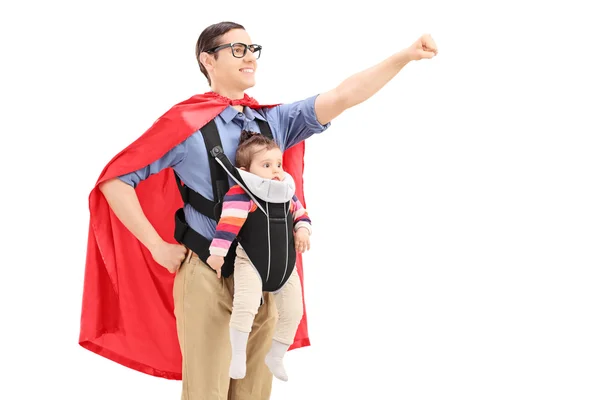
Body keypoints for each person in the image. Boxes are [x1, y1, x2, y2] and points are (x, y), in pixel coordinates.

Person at [78, 20, 437, 400]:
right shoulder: (184, 125)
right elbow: (115, 181)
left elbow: (344, 96)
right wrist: (156, 246)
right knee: (206, 394)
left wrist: (404, 57)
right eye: (237, 49)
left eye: (252, 49)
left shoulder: (273, 121)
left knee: (253, 394)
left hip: (266, 276)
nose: (249, 57)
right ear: (208, 60)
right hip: (207, 275)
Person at [206, 130, 312, 382]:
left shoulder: (286, 193)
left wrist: (303, 231)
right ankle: (239, 356)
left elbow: (302, 215)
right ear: (246, 170)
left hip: (286, 267)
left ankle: (275, 355)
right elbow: (227, 227)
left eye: (278, 164)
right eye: (266, 165)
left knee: (294, 311)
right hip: (251, 262)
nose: (276, 170)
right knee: (245, 306)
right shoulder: (242, 195)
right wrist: (217, 255)